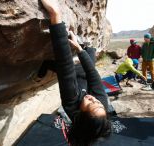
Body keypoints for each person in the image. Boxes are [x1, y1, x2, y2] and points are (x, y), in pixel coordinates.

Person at [40, 0, 112, 145]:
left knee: (59, 67)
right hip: (84, 76)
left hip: (75, 75)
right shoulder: (100, 104)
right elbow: (93, 74)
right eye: (98, 102)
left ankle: (44, 67)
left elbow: (65, 65)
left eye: (91, 103)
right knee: (89, 51)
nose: (94, 99)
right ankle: (84, 49)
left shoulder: (71, 103)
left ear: (81, 114)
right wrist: (79, 49)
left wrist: (55, 14)